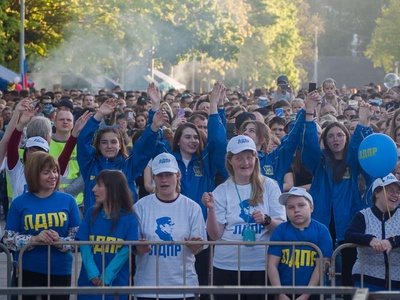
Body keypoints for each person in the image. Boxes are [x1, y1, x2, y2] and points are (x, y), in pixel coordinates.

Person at [202, 135, 286, 300]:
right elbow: (215, 235)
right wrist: (211, 210)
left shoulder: (270, 185)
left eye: (249, 157)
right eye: (239, 158)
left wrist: (266, 220)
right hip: (227, 265)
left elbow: (281, 228)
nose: (245, 162)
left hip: (262, 265)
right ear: (230, 161)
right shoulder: (222, 190)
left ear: (256, 159)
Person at [299, 99, 373, 288]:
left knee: (349, 271)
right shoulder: (320, 161)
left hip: (349, 222)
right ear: (325, 140)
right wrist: (308, 115)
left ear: (346, 138)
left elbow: (359, 147)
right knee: (318, 271)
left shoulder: (353, 162)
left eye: (340, 135)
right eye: (330, 136)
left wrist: (364, 122)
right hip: (322, 221)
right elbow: (308, 146)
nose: (335, 139)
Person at [3, 152, 81, 300]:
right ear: (33, 174)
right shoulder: (19, 202)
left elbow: (78, 238)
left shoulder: (68, 201)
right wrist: (34, 239)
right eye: (46, 172)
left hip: (60, 270)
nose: (53, 176)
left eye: (55, 171)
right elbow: (8, 239)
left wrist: (59, 241)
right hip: (28, 270)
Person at [134, 153, 207, 300]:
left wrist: (195, 246)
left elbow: (199, 247)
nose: (164, 180)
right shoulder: (140, 206)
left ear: (178, 175)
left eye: (169, 174)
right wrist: (136, 248)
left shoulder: (192, 207)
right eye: (160, 175)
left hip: (184, 288)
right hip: (147, 288)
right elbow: (132, 246)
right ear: (153, 178)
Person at [77, 97, 164, 214]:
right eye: (104, 142)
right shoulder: (90, 165)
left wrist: (154, 127)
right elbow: (83, 141)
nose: (109, 146)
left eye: (113, 142)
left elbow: (144, 148)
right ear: (98, 146)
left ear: (120, 145)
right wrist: (99, 115)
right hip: (95, 225)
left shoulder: (129, 166)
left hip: (123, 226)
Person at [76, 170, 139, 300]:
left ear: (113, 188)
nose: (93, 189)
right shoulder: (91, 213)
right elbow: (83, 243)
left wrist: (108, 275)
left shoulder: (129, 218)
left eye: (99, 185)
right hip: (88, 284)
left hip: (116, 286)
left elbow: (126, 250)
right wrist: (92, 272)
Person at [268, 187, 333, 300]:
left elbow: (321, 266)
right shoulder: (280, 230)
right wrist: (280, 293)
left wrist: (306, 295)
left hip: (315, 293)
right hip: (285, 291)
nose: (296, 210)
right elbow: (272, 264)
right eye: (291, 207)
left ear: (311, 207)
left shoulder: (322, 231)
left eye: (301, 205)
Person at [345, 174, 400, 291]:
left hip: (397, 280)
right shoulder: (363, 215)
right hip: (366, 279)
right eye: (390, 190)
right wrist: (370, 239)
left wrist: (392, 242)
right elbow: (349, 234)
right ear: (376, 193)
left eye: (398, 191)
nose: (396, 195)